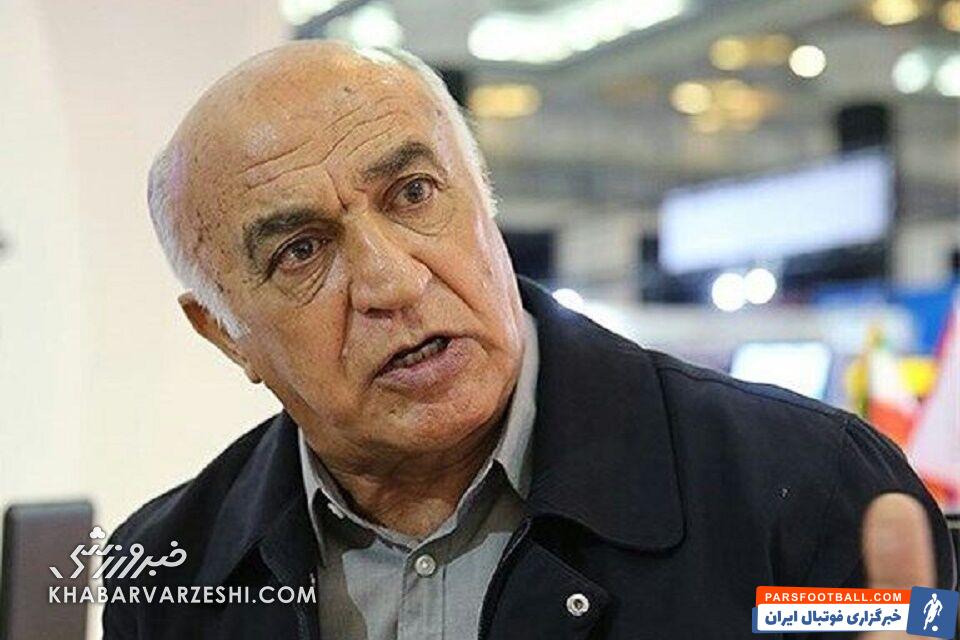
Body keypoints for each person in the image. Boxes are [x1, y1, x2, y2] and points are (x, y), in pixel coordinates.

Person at [102, 41, 956, 639]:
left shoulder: (808, 489)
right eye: (300, 251)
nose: (394, 284)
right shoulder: (164, 570)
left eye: (413, 193)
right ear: (226, 336)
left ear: (485, 198)